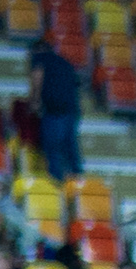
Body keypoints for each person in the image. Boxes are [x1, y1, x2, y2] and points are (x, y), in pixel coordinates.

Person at [25, 35, 85, 185]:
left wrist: (34, 101)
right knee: (70, 145)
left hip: (54, 109)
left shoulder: (40, 58)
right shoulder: (65, 62)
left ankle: (56, 181)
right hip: (71, 109)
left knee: (52, 146)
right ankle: (76, 179)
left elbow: (37, 77)